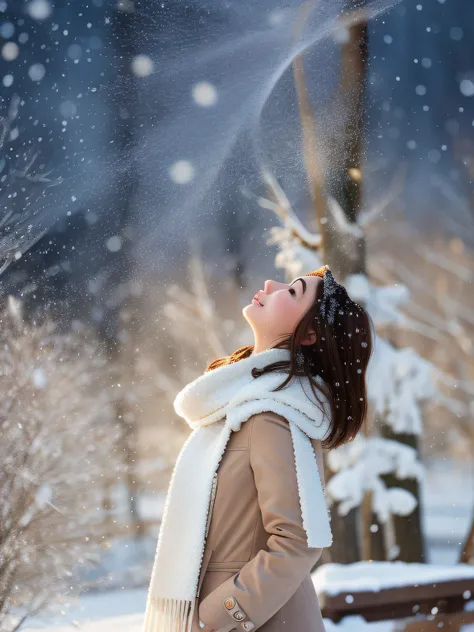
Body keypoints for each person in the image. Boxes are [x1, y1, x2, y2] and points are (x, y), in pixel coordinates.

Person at [143, 265, 375, 632]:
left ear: (309, 334)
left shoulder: (273, 415)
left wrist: (214, 615)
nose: (270, 284)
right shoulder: (245, 405)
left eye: (293, 290)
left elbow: (298, 543)